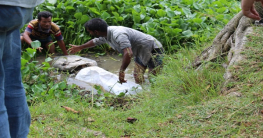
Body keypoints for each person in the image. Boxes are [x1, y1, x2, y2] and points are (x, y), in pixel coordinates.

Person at [68, 18, 164, 84]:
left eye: (90, 31)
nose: (90, 33)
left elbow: (128, 53)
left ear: (96, 31)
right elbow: (94, 42)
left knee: (154, 77)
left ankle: (156, 95)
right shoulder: (105, 35)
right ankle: (144, 94)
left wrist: (121, 71)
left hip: (153, 49)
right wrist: (80, 47)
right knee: (137, 76)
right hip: (140, 51)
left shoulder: (118, 34)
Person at [0, 0, 44, 137]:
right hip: (21, 6)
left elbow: (58, 38)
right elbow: (25, 35)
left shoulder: (53, 27)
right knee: (11, 82)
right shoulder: (34, 25)